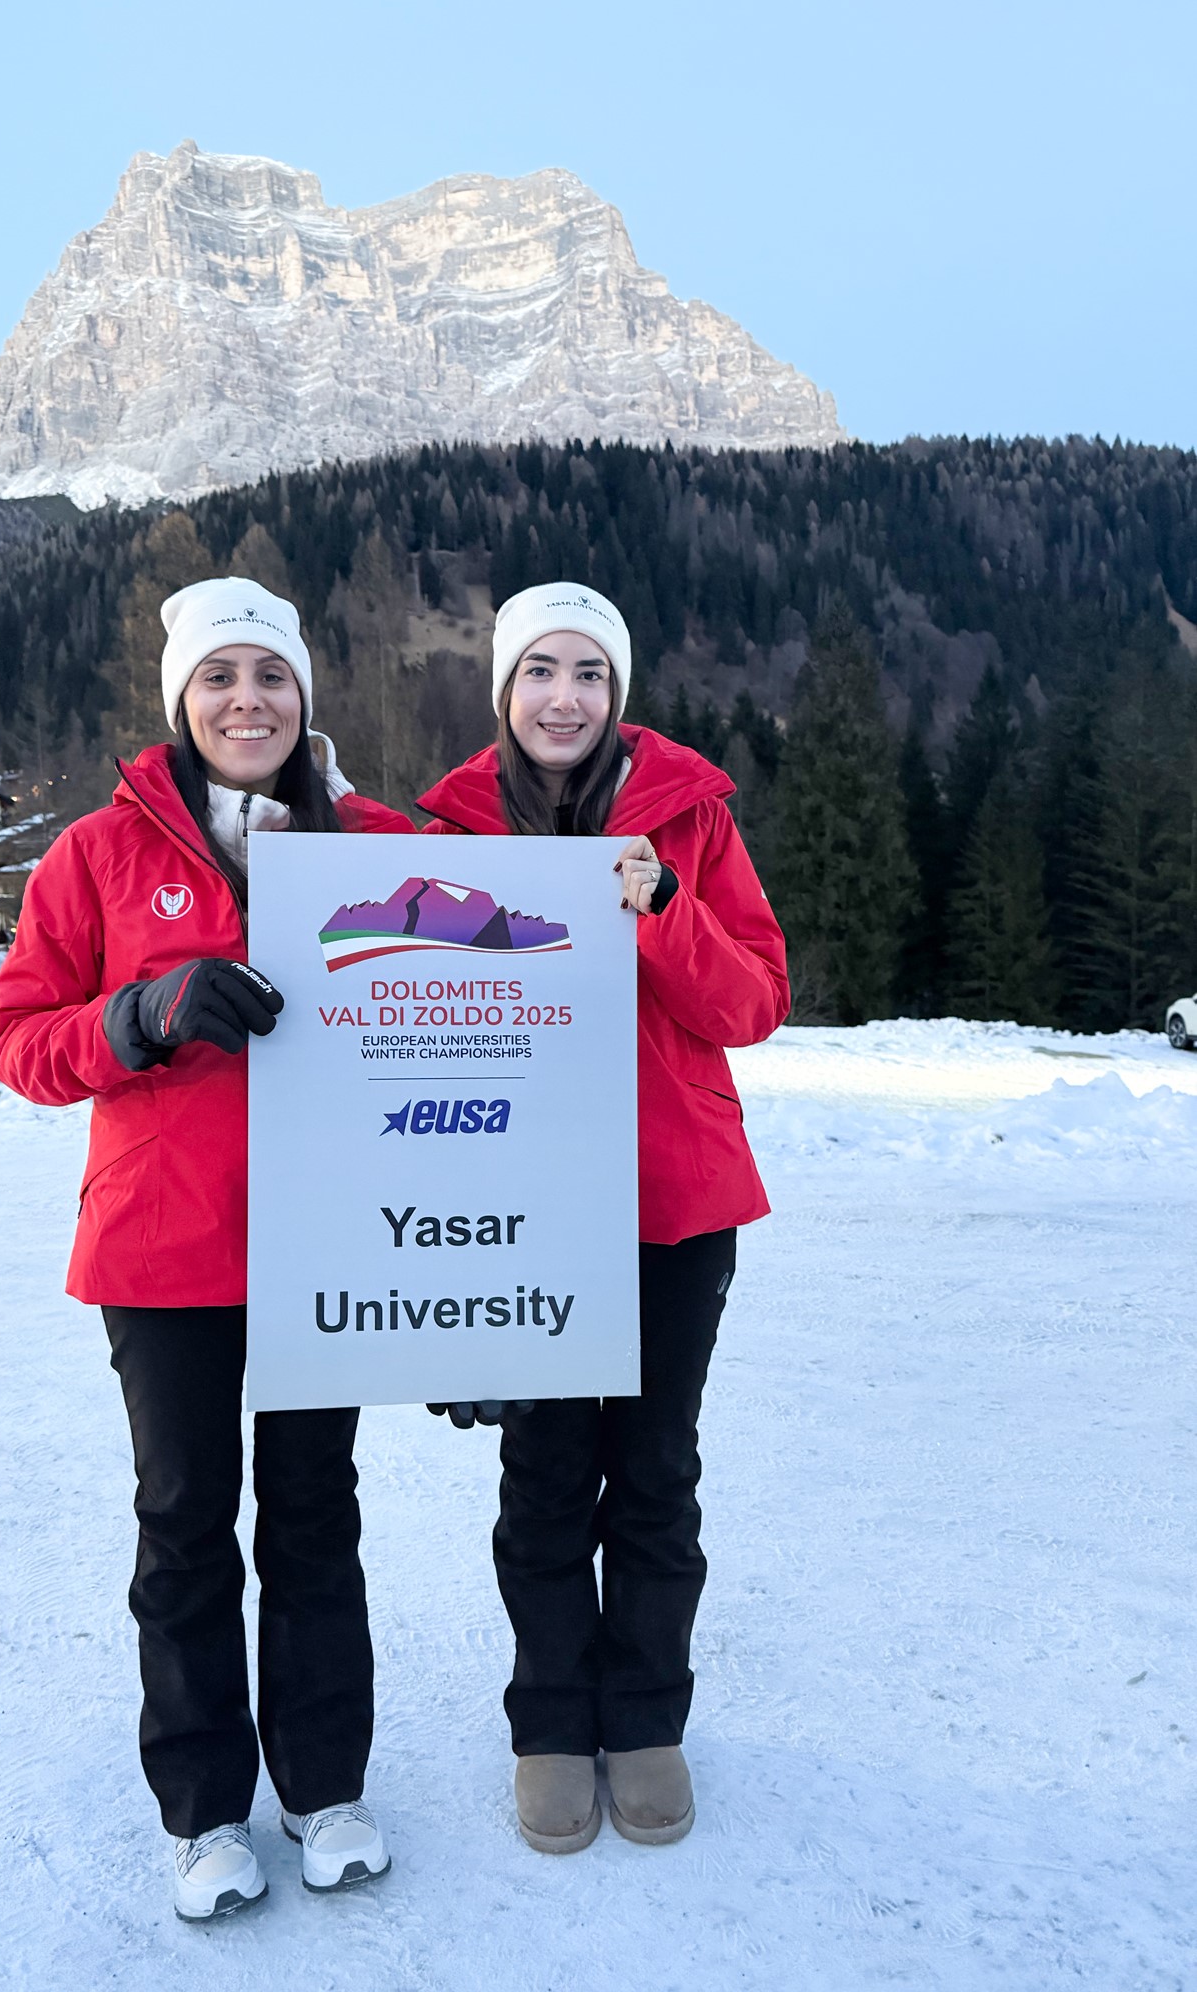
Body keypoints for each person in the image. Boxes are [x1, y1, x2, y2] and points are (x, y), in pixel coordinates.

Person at [0, 577, 413, 1921]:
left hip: (326, 1242)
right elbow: (20, 1043)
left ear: (304, 697)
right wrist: (142, 1013)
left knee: (314, 1519)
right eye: (221, 678)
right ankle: (206, 1814)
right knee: (182, 1528)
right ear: (182, 699)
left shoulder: (375, 840)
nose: (248, 701)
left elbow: (522, 944)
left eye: (271, 677)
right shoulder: (96, 857)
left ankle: (325, 1788)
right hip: (162, 1252)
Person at [416, 581, 789, 1855]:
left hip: (672, 1202)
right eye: (538, 670)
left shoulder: (691, 819)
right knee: (542, 1474)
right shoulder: (451, 835)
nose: (562, 695)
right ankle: (548, 1725)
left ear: (616, 693)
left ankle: (645, 1718)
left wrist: (664, 911)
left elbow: (753, 1003)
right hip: (521, 1211)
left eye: (587, 671)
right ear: (504, 689)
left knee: (654, 1474)